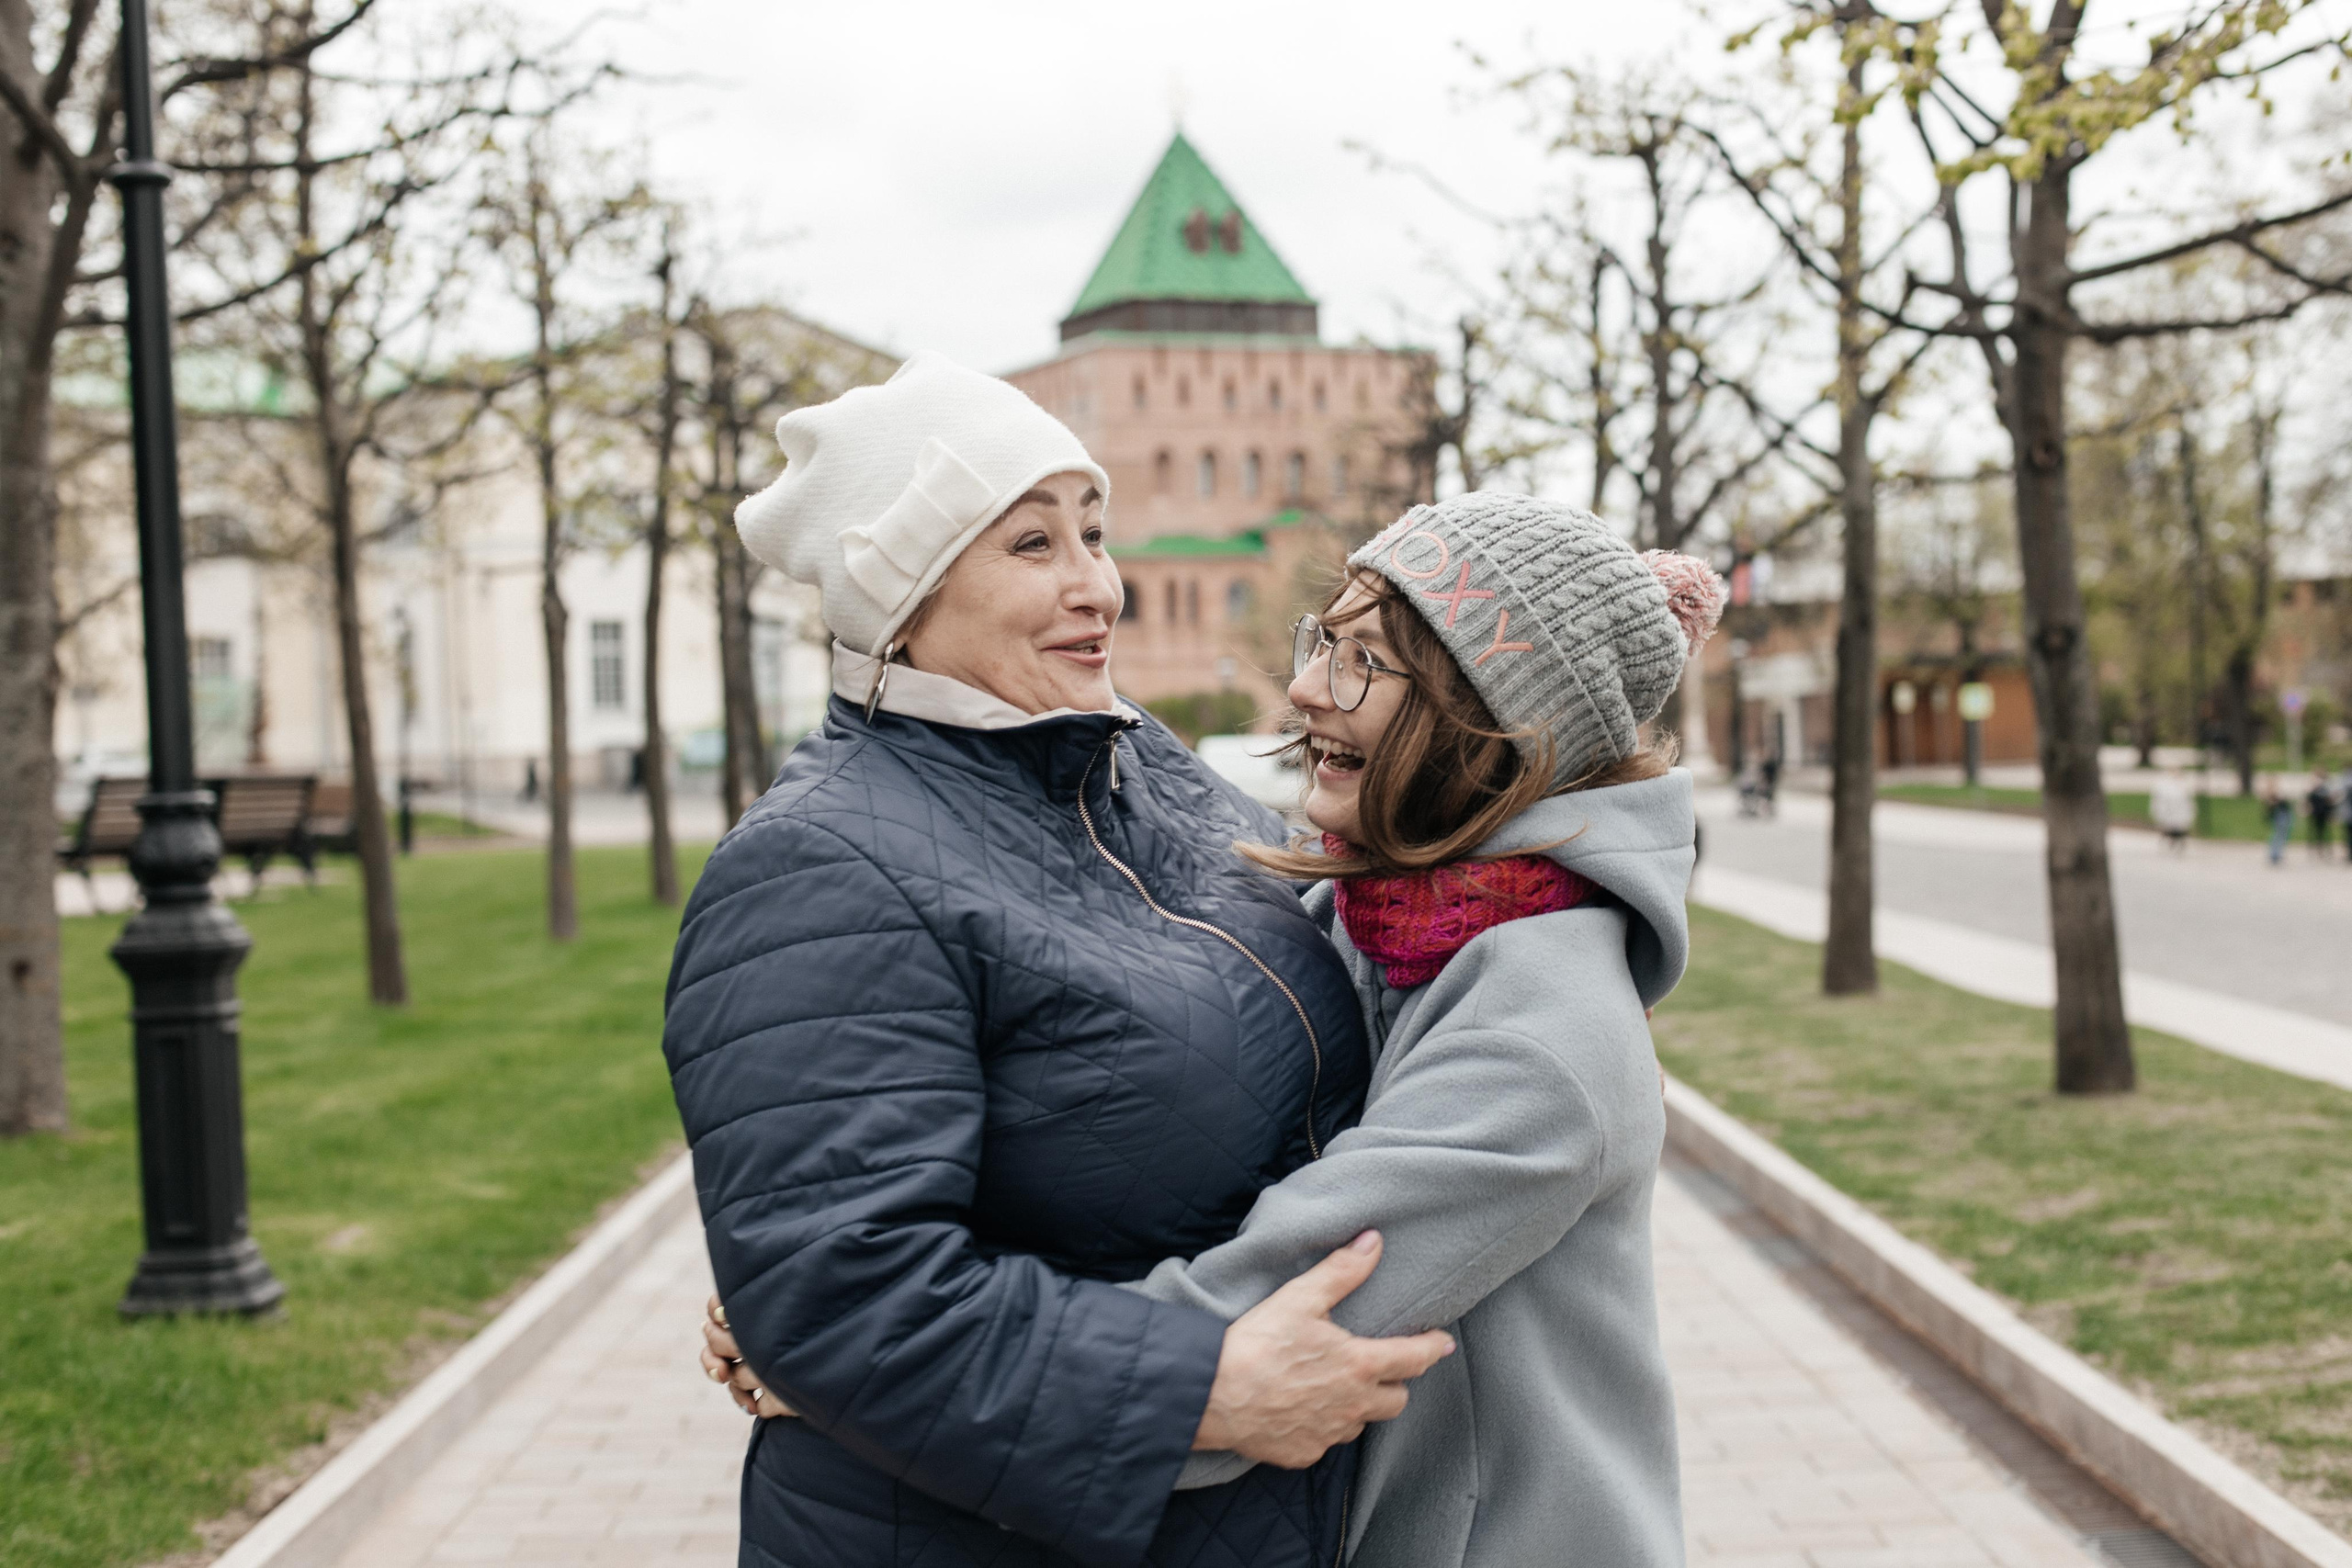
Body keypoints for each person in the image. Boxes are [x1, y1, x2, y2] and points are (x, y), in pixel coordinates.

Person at [707, 493, 1712, 1568]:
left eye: (1365, 661)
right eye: (1323, 638)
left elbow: (1273, 1309)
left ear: (1499, 719)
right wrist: (842, 1286)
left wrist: (871, 1377)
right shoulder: (1370, 915)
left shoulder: (1542, 1042)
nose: (1306, 687)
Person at [664, 354, 1452, 1568]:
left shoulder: (1143, 772)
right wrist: (1205, 1388)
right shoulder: (817, 864)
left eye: (1094, 531)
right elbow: (849, 1289)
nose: (1099, 586)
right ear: (902, 589)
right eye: (1033, 546)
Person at [2149, 766, 2196, 853]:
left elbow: (2188, 802)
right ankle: (2171, 842)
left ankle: (2178, 843)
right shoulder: (2164, 785)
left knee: (2179, 830)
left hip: (2179, 815)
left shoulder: (2182, 784)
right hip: (2170, 814)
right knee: (2170, 829)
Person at [2263, 777, 2294, 866]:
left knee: (2281, 835)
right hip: (2280, 814)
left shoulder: (2273, 792)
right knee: (2279, 835)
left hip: (2283, 814)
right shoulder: (2271, 792)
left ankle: (2276, 853)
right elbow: (2272, 804)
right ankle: (2275, 854)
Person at [2309, 769, 2338, 860]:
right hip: (2317, 813)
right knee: (2318, 832)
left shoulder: (2326, 788)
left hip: (2324, 812)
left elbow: (2331, 801)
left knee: (2326, 833)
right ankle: (2319, 849)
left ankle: (2326, 849)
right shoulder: (2315, 789)